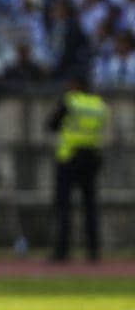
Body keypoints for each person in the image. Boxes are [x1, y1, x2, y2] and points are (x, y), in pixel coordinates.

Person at [46, 75, 110, 262]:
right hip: (91, 157)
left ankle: (61, 251)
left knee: (64, 207)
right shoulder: (98, 104)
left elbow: (51, 124)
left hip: (69, 157)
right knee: (90, 206)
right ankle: (93, 251)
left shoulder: (70, 101)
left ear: (75, 84)